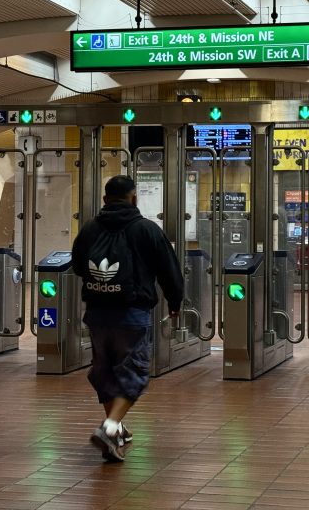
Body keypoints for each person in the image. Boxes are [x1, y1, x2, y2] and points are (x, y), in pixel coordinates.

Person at [72, 175, 184, 462]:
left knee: (106, 373)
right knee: (133, 375)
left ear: (106, 199)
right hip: (131, 314)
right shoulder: (146, 229)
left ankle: (115, 434)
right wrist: (175, 301)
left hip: (97, 313)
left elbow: (77, 264)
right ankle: (109, 428)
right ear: (133, 198)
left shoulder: (89, 229)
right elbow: (169, 270)